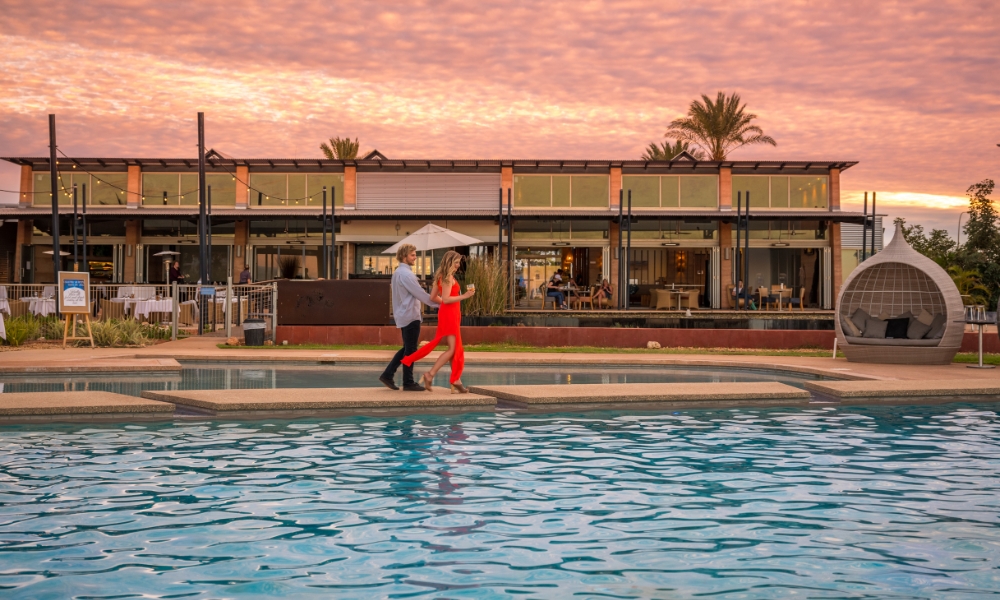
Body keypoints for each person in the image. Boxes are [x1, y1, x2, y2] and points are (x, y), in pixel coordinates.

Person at [401, 250, 475, 393]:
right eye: (456, 263)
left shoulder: (442, 277)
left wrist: (445, 306)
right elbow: (446, 299)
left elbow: (434, 297)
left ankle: (456, 380)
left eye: (459, 263)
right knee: (453, 349)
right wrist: (464, 296)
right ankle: (431, 374)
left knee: (455, 348)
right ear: (449, 262)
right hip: (450, 315)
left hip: (448, 313)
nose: (458, 266)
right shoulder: (447, 278)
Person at [379, 244, 440, 391]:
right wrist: (441, 304)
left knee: (408, 348)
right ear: (404, 256)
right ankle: (407, 382)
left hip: (404, 314)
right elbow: (420, 294)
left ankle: (388, 374)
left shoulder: (398, 273)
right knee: (410, 349)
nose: (415, 257)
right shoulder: (406, 275)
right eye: (412, 255)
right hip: (410, 315)